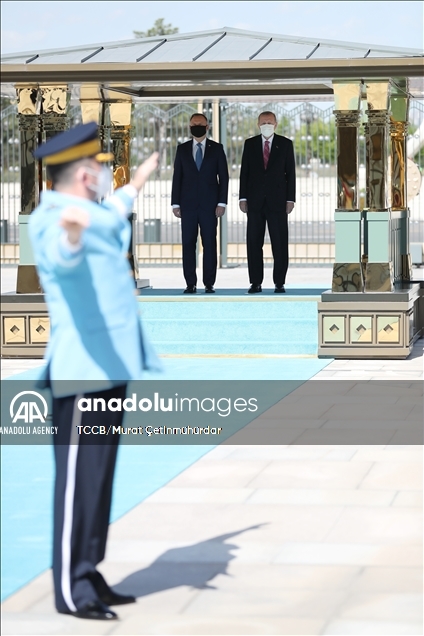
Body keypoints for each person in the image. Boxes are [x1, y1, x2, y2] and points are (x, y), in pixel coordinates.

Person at [29, 122, 160, 621]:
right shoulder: (53, 220)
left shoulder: (92, 213)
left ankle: (89, 568)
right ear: (85, 175)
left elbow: (111, 213)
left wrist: (136, 184)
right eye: (100, 168)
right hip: (82, 372)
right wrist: (72, 239)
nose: (105, 175)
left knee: (98, 479)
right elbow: (62, 257)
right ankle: (70, 586)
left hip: (110, 368)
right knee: (77, 484)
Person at [171, 113, 229, 294]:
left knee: (209, 243)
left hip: (210, 206)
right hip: (187, 206)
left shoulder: (217, 149)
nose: (197, 126)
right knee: (188, 243)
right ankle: (190, 283)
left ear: (207, 126)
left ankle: (209, 283)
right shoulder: (182, 149)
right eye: (193, 124)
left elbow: (224, 177)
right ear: (189, 127)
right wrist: (175, 203)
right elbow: (177, 177)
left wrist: (222, 203)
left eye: (200, 124)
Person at [239, 111, 296, 293]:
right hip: (254, 202)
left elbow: (291, 174)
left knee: (279, 243)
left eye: (269, 122)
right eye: (263, 122)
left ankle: (279, 282)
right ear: (258, 124)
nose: (266, 125)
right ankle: (255, 282)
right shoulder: (250, 144)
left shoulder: (285, 144)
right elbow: (244, 173)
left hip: (278, 202)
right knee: (254, 243)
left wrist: (290, 199)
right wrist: (243, 198)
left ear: (276, 124)